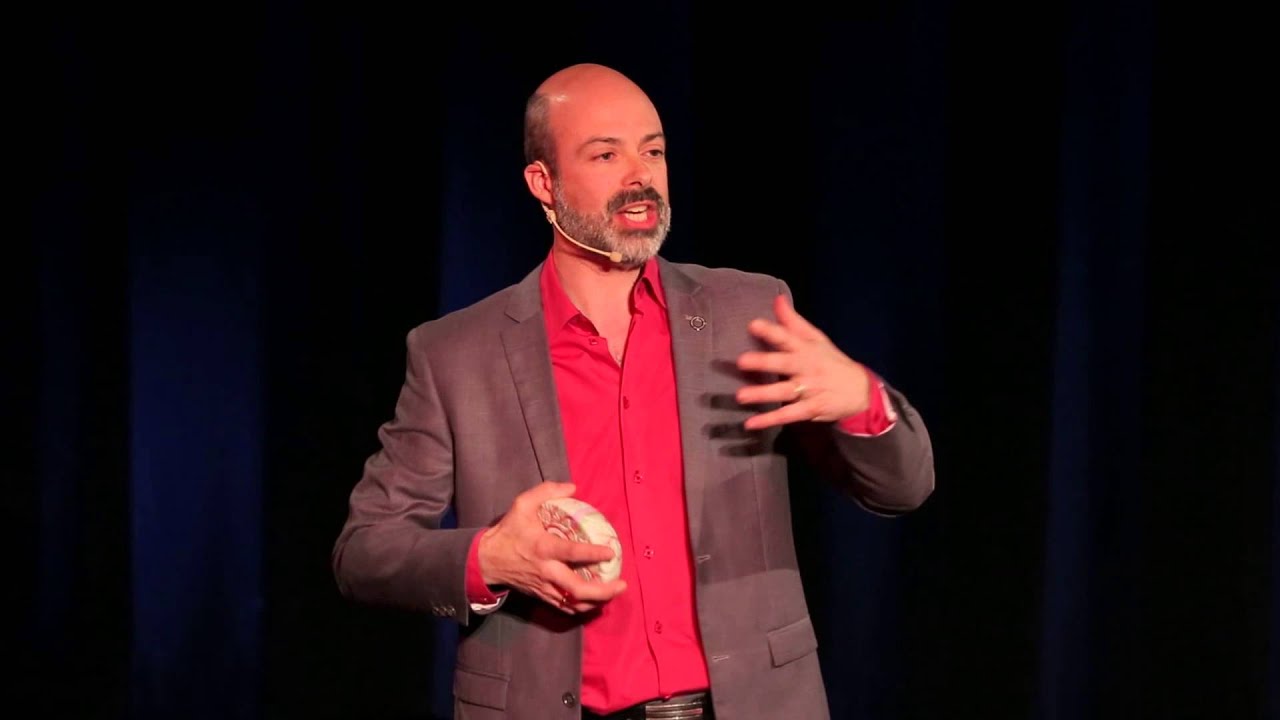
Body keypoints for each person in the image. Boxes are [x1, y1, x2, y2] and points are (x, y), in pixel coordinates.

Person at [332, 62, 935, 720]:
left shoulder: (749, 314)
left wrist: (861, 402)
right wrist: (490, 557)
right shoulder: (456, 355)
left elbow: (901, 488)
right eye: (605, 154)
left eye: (652, 150)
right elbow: (365, 550)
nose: (639, 176)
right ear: (544, 183)